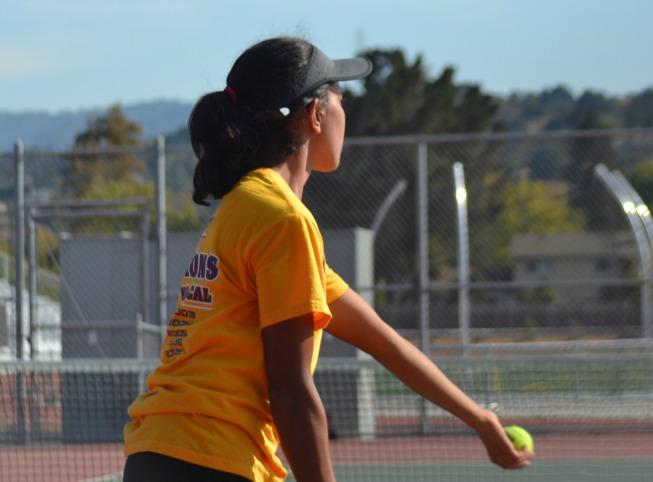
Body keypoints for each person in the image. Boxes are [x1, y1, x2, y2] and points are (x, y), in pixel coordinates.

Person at [123, 37, 533, 482]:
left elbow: (385, 343)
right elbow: (291, 389)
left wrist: (479, 419)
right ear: (315, 115)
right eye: (340, 98)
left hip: (163, 454)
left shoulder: (251, 204)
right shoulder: (283, 218)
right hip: (211, 461)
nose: (345, 112)